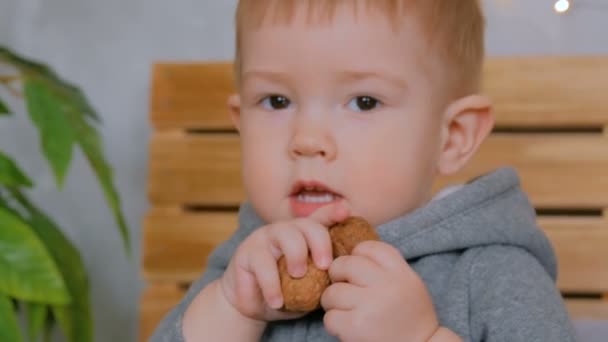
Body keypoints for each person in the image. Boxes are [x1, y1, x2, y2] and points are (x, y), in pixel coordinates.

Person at [152, 1, 575, 341]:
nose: (307, 138)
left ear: (452, 138)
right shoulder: (242, 264)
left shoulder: (492, 273)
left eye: (364, 102)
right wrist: (229, 311)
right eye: (277, 101)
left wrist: (421, 338)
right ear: (239, 121)